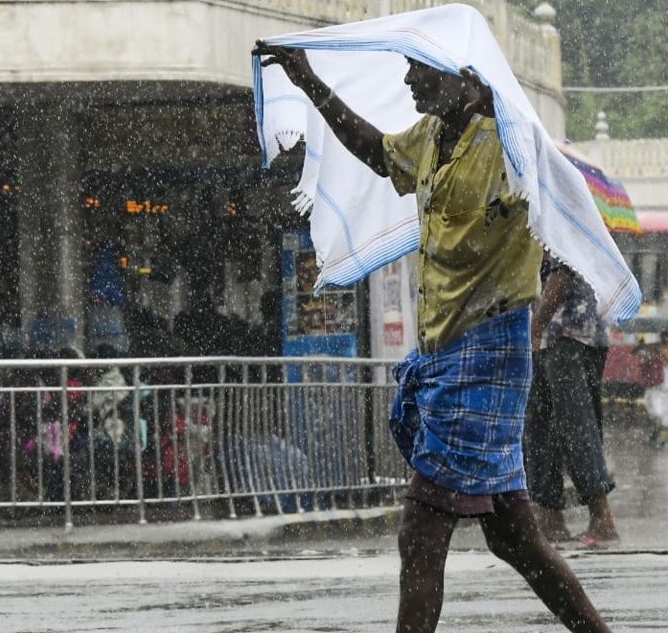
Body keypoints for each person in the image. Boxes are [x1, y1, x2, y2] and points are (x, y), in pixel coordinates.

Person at [256, 43, 611, 633]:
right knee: (515, 539)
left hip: (490, 348)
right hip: (447, 350)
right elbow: (375, 150)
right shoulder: (430, 137)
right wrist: (310, 81)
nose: (408, 79)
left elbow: (561, 198)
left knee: (421, 528)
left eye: (419, 69)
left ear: (466, 79)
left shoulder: (508, 146)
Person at [525, 255, 620, 549]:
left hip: (567, 335)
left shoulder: (555, 216)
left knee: (576, 426)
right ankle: (550, 517)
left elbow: (559, 277)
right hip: (562, 337)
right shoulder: (544, 218)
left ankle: (601, 518)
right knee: (543, 428)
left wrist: (536, 327)